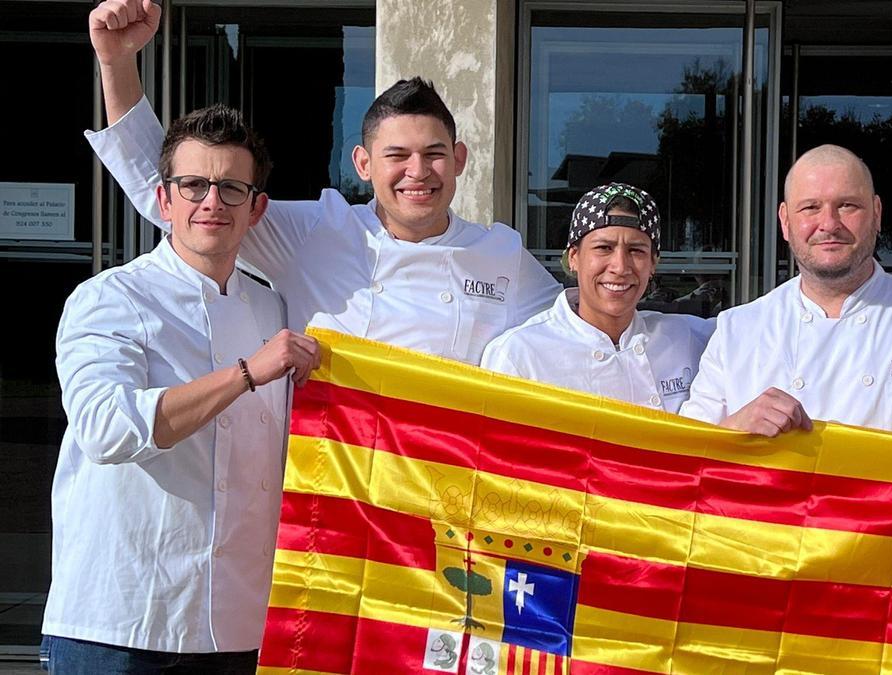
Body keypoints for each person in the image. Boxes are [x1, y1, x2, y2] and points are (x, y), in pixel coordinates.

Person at [86, 0, 560, 365]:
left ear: (458, 160)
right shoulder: (313, 232)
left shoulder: (502, 254)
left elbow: (580, 334)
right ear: (363, 163)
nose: (417, 172)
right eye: (396, 156)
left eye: (434, 154)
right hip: (331, 480)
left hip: (441, 484)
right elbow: (176, 192)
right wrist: (116, 63)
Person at [42, 103, 321, 672]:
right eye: (193, 185)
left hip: (238, 622)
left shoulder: (274, 308)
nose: (211, 202)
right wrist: (245, 374)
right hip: (120, 620)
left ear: (257, 209)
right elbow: (105, 429)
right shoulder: (109, 298)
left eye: (231, 188)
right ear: (164, 199)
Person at [680, 145, 892, 447]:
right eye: (810, 208)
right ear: (785, 221)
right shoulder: (737, 330)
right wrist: (733, 429)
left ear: (877, 213)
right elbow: (686, 455)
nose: (828, 223)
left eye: (847, 206)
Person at [482, 183, 713, 413]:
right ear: (573, 257)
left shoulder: (689, 338)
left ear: (653, 263)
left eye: (636, 250)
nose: (620, 267)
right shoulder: (518, 356)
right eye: (604, 247)